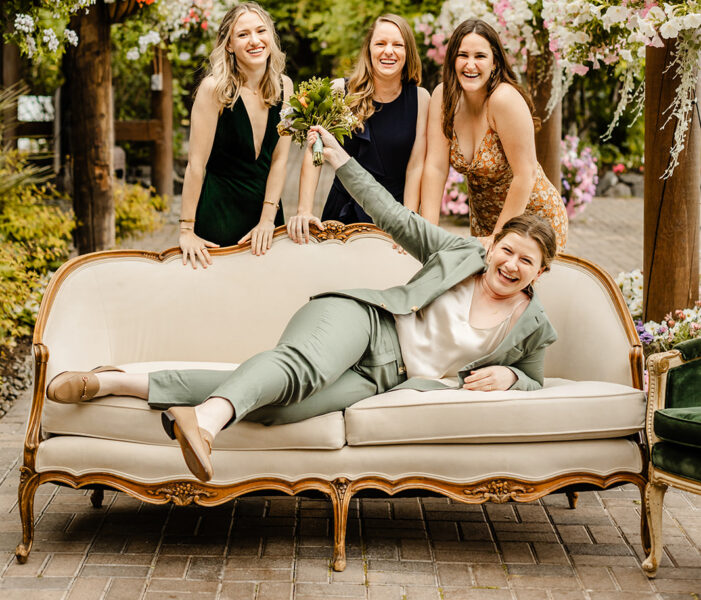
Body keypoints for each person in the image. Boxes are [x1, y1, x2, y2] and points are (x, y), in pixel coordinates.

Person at [46, 125, 558, 484]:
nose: (511, 265)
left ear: (541, 273)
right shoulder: (461, 253)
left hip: (382, 376)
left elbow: (535, 378)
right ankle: (204, 423)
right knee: (300, 370)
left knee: (278, 407)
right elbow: (393, 215)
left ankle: (113, 381)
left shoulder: (531, 324)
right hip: (364, 322)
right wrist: (340, 161)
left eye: (526, 262)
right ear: (491, 247)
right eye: (507, 251)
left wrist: (512, 377)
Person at [420, 18, 568, 250]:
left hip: (532, 221)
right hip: (484, 224)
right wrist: (427, 233)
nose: (470, 65)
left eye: (480, 56)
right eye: (463, 56)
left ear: (495, 63)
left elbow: (525, 174)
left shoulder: (504, 99)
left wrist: (498, 239)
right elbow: (435, 167)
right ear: (452, 61)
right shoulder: (443, 97)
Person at [287, 13, 430, 243]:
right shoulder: (339, 91)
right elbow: (315, 150)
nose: (388, 51)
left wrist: (408, 220)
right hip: (342, 213)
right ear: (369, 50)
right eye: (380, 43)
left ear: (408, 52)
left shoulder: (421, 99)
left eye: (397, 45)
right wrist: (304, 210)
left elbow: (415, 167)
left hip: (393, 214)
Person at [178, 1, 293, 265]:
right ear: (229, 45)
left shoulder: (284, 87)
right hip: (219, 216)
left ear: (270, 36)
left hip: (267, 219)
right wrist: (186, 230)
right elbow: (196, 165)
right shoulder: (214, 90)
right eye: (243, 34)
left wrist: (267, 221)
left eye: (261, 31)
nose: (254, 40)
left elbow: (280, 160)